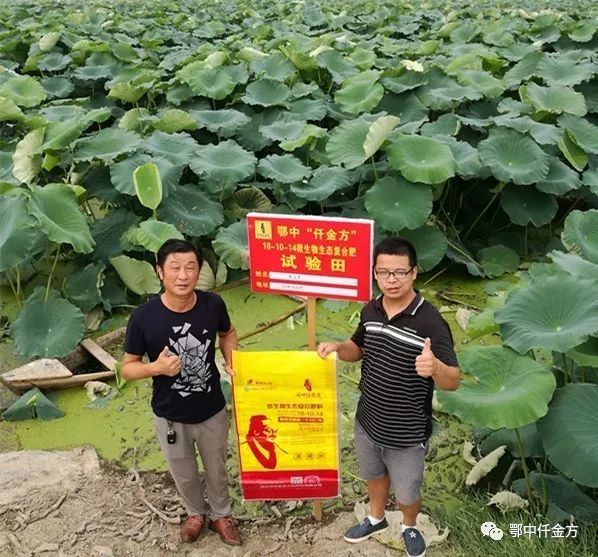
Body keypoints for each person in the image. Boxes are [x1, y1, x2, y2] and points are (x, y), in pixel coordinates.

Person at [317, 237, 460, 557]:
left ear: (414, 273)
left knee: (408, 492)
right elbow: (358, 348)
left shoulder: (430, 321)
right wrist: (338, 347)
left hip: (407, 430)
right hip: (368, 420)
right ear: (375, 273)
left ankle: (409, 525)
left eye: (399, 272)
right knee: (374, 475)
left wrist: (435, 367)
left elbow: (453, 380)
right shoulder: (371, 309)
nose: (391, 280)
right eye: (383, 272)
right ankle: (376, 518)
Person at [121, 239, 241, 546]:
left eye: (191, 267)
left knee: (216, 468)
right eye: (175, 267)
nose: (183, 275)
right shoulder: (143, 317)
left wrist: (232, 360)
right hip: (170, 414)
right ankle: (195, 513)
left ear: (199, 270)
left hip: (211, 408)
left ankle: (221, 515)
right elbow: (128, 368)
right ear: (160, 272)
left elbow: (228, 333)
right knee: (183, 471)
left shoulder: (212, 304)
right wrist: (156, 368)